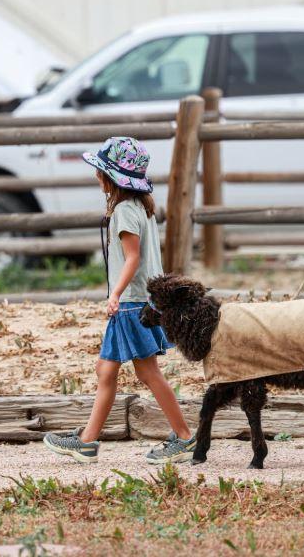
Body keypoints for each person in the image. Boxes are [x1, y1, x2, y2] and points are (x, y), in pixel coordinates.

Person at [42, 137, 196, 464]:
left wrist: (114, 293)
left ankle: (184, 436)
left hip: (131, 304)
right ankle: (87, 440)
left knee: (148, 373)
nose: (97, 177)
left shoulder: (125, 211)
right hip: (141, 302)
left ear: (111, 178)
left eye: (100, 172)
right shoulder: (142, 207)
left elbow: (132, 259)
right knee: (106, 369)